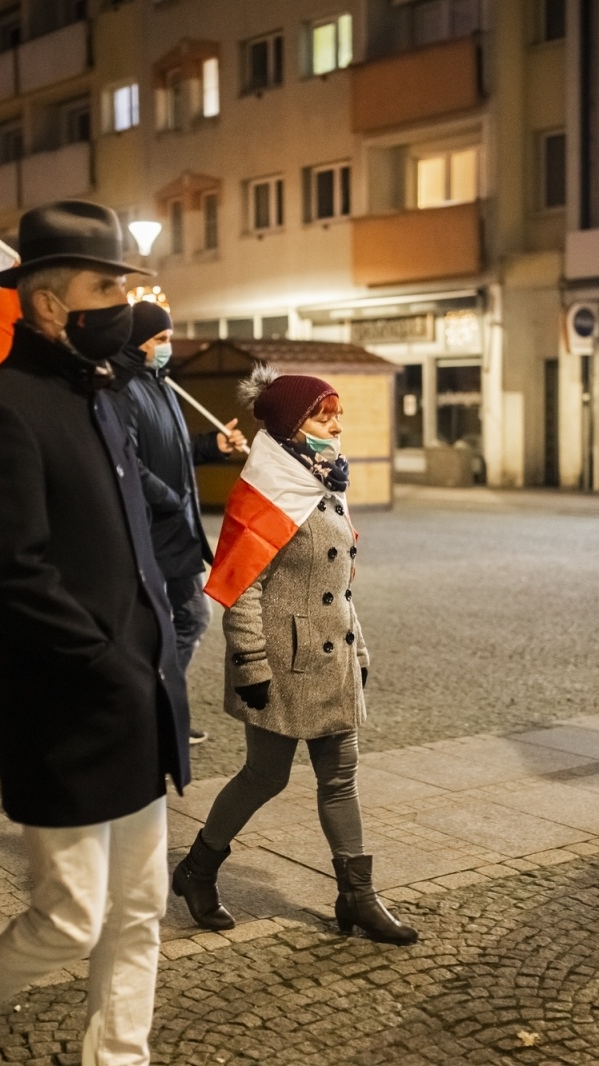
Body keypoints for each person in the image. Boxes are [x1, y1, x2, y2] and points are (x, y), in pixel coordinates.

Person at [0, 200, 191, 1066]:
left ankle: (119, 1056)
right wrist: (108, 665)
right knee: (68, 919)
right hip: (67, 711)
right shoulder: (3, 410)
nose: (122, 299)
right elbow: (16, 578)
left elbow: (138, 534)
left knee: (141, 908)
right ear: (45, 304)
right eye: (105, 284)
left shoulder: (102, 400)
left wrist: (166, 637)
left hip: (138, 698)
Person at [172, 367, 418, 946]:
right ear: (289, 425)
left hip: (330, 657)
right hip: (282, 661)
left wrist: (360, 646)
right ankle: (197, 869)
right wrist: (251, 664)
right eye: (321, 413)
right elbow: (241, 586)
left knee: (340, 777)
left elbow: (339, 583)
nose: (335, 423)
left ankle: (357, 897)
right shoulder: (264, 490)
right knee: (265, 776)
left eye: (336, 412)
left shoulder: (324, 480)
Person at [109, 301, 246, 745]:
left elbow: (176, 449)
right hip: (152, 528)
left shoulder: (161, 384)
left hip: (175, 529)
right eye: (160, 340)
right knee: (182, 619)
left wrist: (213, 447)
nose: (167, 348)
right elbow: (127, 461)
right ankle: (156, 712)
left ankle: (158, 712)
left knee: (185, 618)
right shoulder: (124, 388)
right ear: (138, 342)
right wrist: (171, 499)